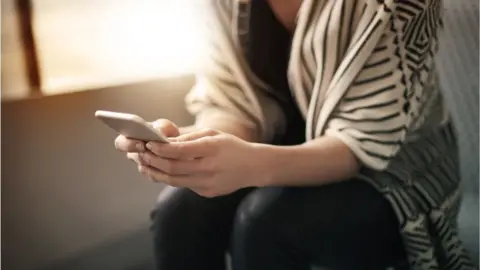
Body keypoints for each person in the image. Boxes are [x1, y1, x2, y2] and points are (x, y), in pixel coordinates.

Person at [114, 0, 476, 269]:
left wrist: (251, 164)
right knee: (179, 211)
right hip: (279, 146)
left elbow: (360, 143)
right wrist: (195, 145)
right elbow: (233, 101)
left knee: (267, 223)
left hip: (397, 170)